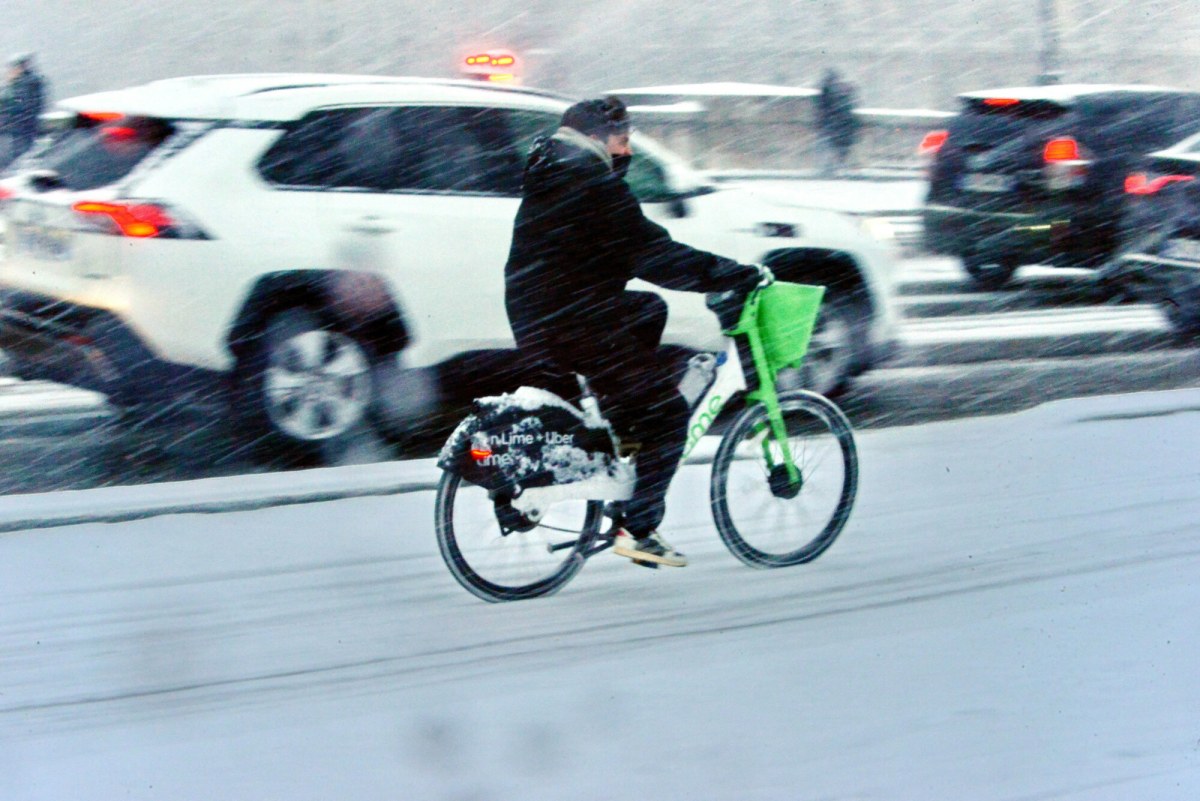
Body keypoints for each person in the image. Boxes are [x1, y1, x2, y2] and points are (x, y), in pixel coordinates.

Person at [504, 95, 762, 568]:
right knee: (666, 413)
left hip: (541, 312)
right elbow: (651, 254)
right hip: (576, 319)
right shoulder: (591, 184)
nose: (627, 152)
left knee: (646, 308)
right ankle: (638, 529)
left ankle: (623, 420)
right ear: (598, 139)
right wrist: (728, 273)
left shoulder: (554, 173)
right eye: (622, 142)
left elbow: (621, 250)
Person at [0, 52, 46, 169]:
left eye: (11, 68)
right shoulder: (26, 83)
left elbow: (20, 107)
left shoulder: (24, 84)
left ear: (20, 68)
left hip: (18, 131)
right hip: (19, 131)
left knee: (13, 162)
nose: (8, 72)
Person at [816, 68, 860, 175]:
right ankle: (839, 165)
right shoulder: (839, 94)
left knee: (831, 145)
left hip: (833, 124)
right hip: (841, 125)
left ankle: (832, 166)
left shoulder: (827, 92)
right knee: (840, 146)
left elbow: (822, 108)